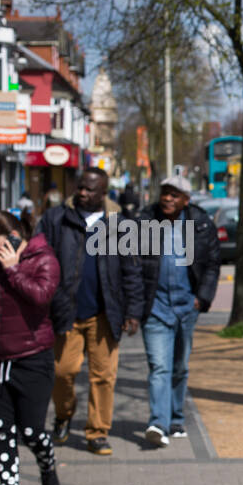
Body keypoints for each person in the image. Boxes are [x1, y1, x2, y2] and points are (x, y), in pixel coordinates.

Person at [40, 166, 144, 456]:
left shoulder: (120, 224)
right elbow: (39, 260)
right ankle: (63, 415)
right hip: (66, 313)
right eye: (80, 187)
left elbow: (132, 270)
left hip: (105, 315)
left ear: (103, 193)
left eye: (90, 189)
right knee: (63, 372)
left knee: (104, 376)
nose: (83, 193)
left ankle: (97, 432)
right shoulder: (55, 219)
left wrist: (133, 312)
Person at [0, 211, 61, 485]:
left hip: (32, 358)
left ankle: (47, 467)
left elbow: (41, 296)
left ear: (14, 236)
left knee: (31, 431)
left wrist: (13, 270)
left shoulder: (44, 259)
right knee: (2, 430)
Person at [136, 174, 221, 447]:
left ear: (186, 200)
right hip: (156, 308)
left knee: (179, 367)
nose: (168, 198)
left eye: (174, 195)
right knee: (159, 366)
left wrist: (202, 298)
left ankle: (175, 418)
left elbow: (211, 265)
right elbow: (132, 263)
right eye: (165, 193)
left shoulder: (201, 224)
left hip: (187, 307)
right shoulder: (145, 220)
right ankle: (157, 423)